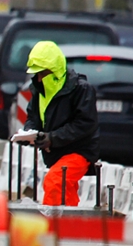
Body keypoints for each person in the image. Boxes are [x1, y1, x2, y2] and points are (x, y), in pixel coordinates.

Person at [12, 40, 99, 207]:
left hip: (79, 151)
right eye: (36, 73)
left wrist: (51, 138)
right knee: (65, 191)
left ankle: (54, 228)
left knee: (55, 181)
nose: (38, 77)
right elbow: (33, 118)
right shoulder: (39, 89)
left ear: (53, 70)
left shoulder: (80, 89)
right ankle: (71, 226)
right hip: (56, 153)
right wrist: (29, 133)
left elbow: (85, 124)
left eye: (41, 73)